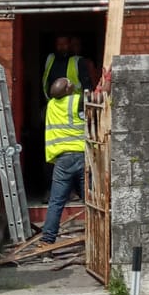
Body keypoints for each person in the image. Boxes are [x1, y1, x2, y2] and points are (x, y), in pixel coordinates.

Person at [41, 76, 85, 245]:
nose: (73, 83)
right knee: (91, 201)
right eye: (69, 83)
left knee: (56, 202)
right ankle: (99, 239)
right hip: (81, 156)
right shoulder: (77, 100)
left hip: (62, 160)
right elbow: (99, 99)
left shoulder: (50, 105)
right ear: (67, 90)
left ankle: (48, 241)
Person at [42, 34, 90, 99]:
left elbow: (87, 87)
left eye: (64, 44)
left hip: (73, 105)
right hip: (53, 104)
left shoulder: (78, 61)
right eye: (59, 44)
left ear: (70, 45)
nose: (62, 47)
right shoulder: (50, 59)